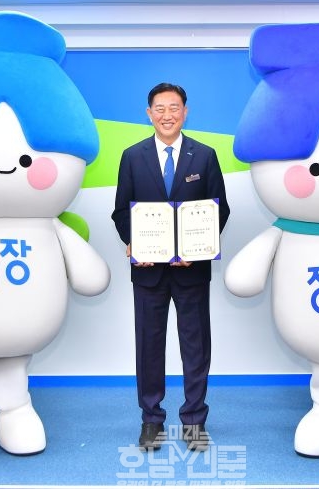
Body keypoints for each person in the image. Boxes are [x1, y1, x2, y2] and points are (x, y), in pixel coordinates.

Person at [112, 82, 230, 451]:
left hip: (191, 271)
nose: (167, 115)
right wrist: (135, 242)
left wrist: (202, 245)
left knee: (196, 347)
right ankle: (152, 421)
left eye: (174, 108)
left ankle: (194, 421)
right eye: (160, 108)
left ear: (185, 112)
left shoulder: (205, 155)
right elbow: (121, 210)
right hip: (148, 272)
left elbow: (219, 208)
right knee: (149, 347)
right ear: (149, 114)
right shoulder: (132, 156)